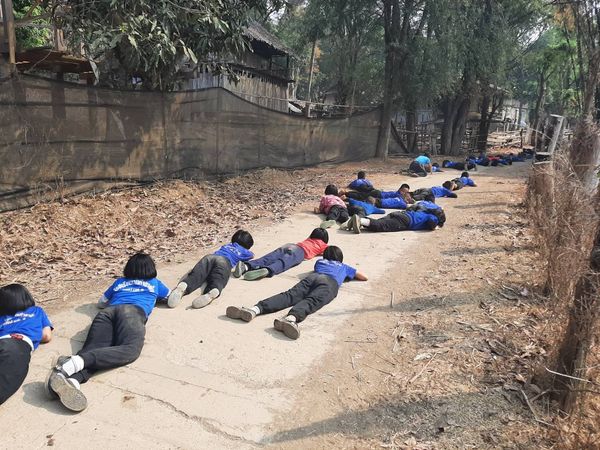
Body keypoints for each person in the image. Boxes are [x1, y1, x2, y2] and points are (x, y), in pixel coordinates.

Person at [46, 253, 168, 412]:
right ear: (151, 269)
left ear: (128, 268)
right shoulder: (155, 283)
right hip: (132, 313)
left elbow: (101, 303)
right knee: (130, 349)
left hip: (107, 313)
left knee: (93, 351)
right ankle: (69, 363)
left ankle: (72, 380)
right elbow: (170, 298)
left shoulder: (119, 282)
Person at [225, 246, 367, 340]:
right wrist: (347, 274)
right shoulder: (343, 266)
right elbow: (363, 277)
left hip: (313, 277)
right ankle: (290, 319)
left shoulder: (320, 263)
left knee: (289, 295)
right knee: (312, 301)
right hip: (330, 283)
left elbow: (318, 268)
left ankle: (255, 309)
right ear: (340, 258)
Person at [168, 230, 254, 309]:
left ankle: (184, 285)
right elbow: (251, 255)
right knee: (219, 278)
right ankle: (213, 290)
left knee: (197, 274)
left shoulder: (227, 245)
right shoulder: (245, 252)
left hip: (210, 257)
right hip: (225, 262)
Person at [0, 284, 52, 405]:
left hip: (3, 341)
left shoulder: (2, 317)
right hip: (17, 345)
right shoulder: (37, 311)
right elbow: (46, 336)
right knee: (5, 383)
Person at [234, 228, 329, 281]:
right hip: (300, 252)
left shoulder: (308, 239)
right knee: (284, 262)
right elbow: (328, 251)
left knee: (269, 257)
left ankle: (246, 266)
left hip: (290, 245)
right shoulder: (322, 244)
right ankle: (268, 270)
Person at [346, 206, 445, 234]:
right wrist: (435, 227)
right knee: (380, 226)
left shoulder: (426, 211)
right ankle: (360, 221)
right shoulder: (433, 217)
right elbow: (432, 222)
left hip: (401, 214)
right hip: (406, 221)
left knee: (378, 223)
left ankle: (357, 221)